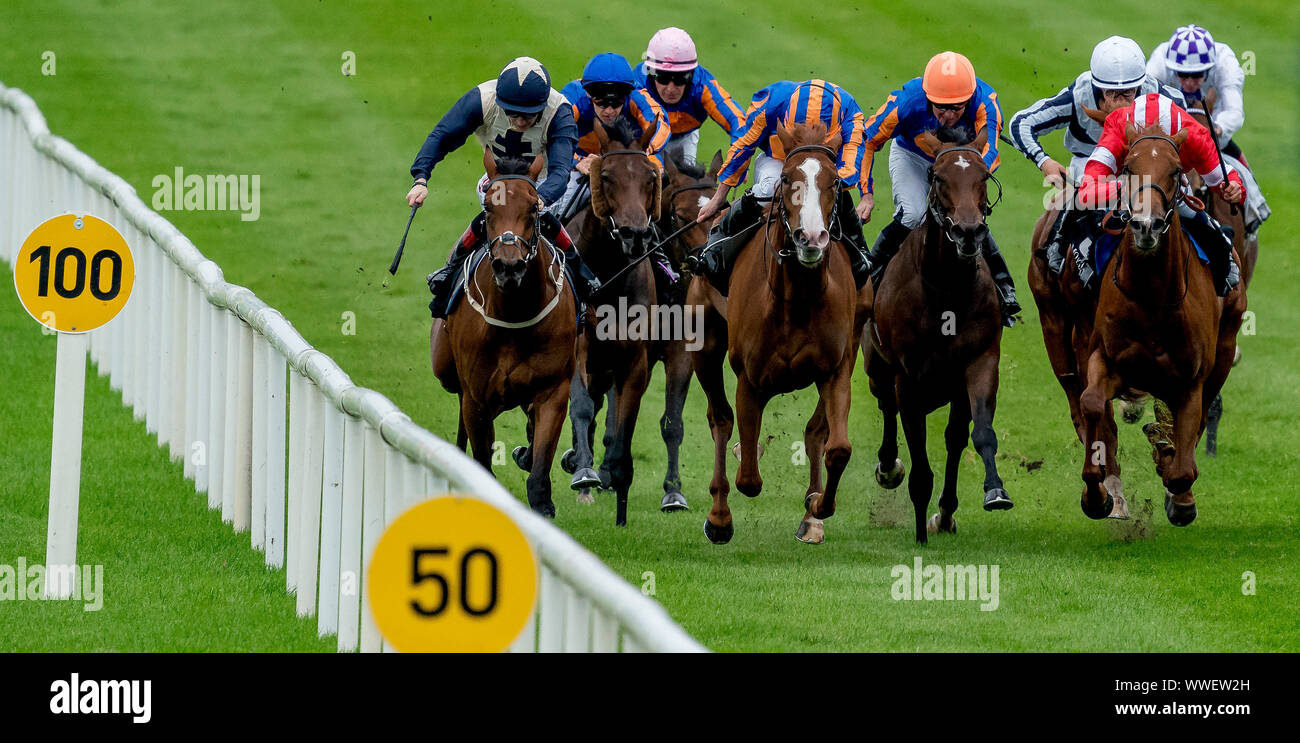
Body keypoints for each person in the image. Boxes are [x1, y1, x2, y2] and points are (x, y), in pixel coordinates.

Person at [411, 56, 601, 319]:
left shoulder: (560, 112)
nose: (520, 121)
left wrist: (540, 198)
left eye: (529, 114)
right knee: (494, 217)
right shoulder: (482, 100)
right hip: (496, 181)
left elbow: (560, 170)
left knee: (541, 221)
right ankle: (450, 273)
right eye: (513, 113)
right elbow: (442, 135)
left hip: (542, 184)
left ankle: (581, 277)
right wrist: (421, 178)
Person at [858, 51, 1020, 325]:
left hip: (963, 163)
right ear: (927, 98)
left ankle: (1004, 288)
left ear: (969, 98)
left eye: (957, 107)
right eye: (940, 107)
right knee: (913, 213)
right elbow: (867, 139)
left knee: (970, 216)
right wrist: (867, 193)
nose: (948, 115)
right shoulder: (906, 103)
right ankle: (868, 279)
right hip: (913, 156)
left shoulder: (986, 104)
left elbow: (991, 151)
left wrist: (964, 173)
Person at [1008, 36, 1186, 274]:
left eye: (1128, 93)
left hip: (1147, 166)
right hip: (1090, 161)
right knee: (1080, 194)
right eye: (1113, 93)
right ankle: (1057, 244)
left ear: (1141, 85)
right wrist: (1045, 161)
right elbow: (1020, 123)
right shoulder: (1078, 95)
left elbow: (1190, 137)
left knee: (1188, 200)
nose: (1121, 101)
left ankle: (1222, 252)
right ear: (1098, 87)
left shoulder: (1166, 99)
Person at [689, 79, 872, 292]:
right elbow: (743, 146)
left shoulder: (851, 113)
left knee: (836, 192)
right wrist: (718, 199)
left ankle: (860, 255)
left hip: (823, 166)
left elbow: (849, 167)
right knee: (768, 189)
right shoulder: (772, 102)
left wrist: (817, 184)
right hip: (779, 160)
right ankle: (715, 246)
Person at [1077, 92, 1245, 296]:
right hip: (1128, 188)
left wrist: (1235, 188)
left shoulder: (1194, 134)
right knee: (1088, 228)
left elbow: (1223, 179)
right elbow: (1086, 193)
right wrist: (1129, 187)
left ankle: (1225, 268)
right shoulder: (1119, 125)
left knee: (1209, 229)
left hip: (1172, 189)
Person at [1147, 24, 1269, 236]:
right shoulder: (1159, 61)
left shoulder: (1226, 64)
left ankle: (1253, 215)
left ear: (1210, 68)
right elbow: (1145, 103)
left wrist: (1213, 132)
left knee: (1243, 173)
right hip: (1171, 134)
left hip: (1213, 134)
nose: (1189, 83)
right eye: (1183, 76)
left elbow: (1234, 111)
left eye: (1197, 76)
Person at [553, 52, 671, 218]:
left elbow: (661, 123)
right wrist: (575, 161)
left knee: (662, 182)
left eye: (616, 103)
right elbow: (553, 136)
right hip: (583, 160)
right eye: (601, 102)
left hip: (629, 158)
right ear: (588, 94)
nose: (609, 111)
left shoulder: (636, 95)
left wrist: (645, 150)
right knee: (559, 199)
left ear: (627, 95)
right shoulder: (573, 97)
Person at [632, 27, 746, 166]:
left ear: (691, 75)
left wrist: (739, 157)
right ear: (651, 73)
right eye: (662, 77)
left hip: (684, 138)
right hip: (644, 137)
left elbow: (736, 120)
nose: (671, 88)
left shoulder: (703, 86)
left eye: (680, 78)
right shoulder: (637, 84)